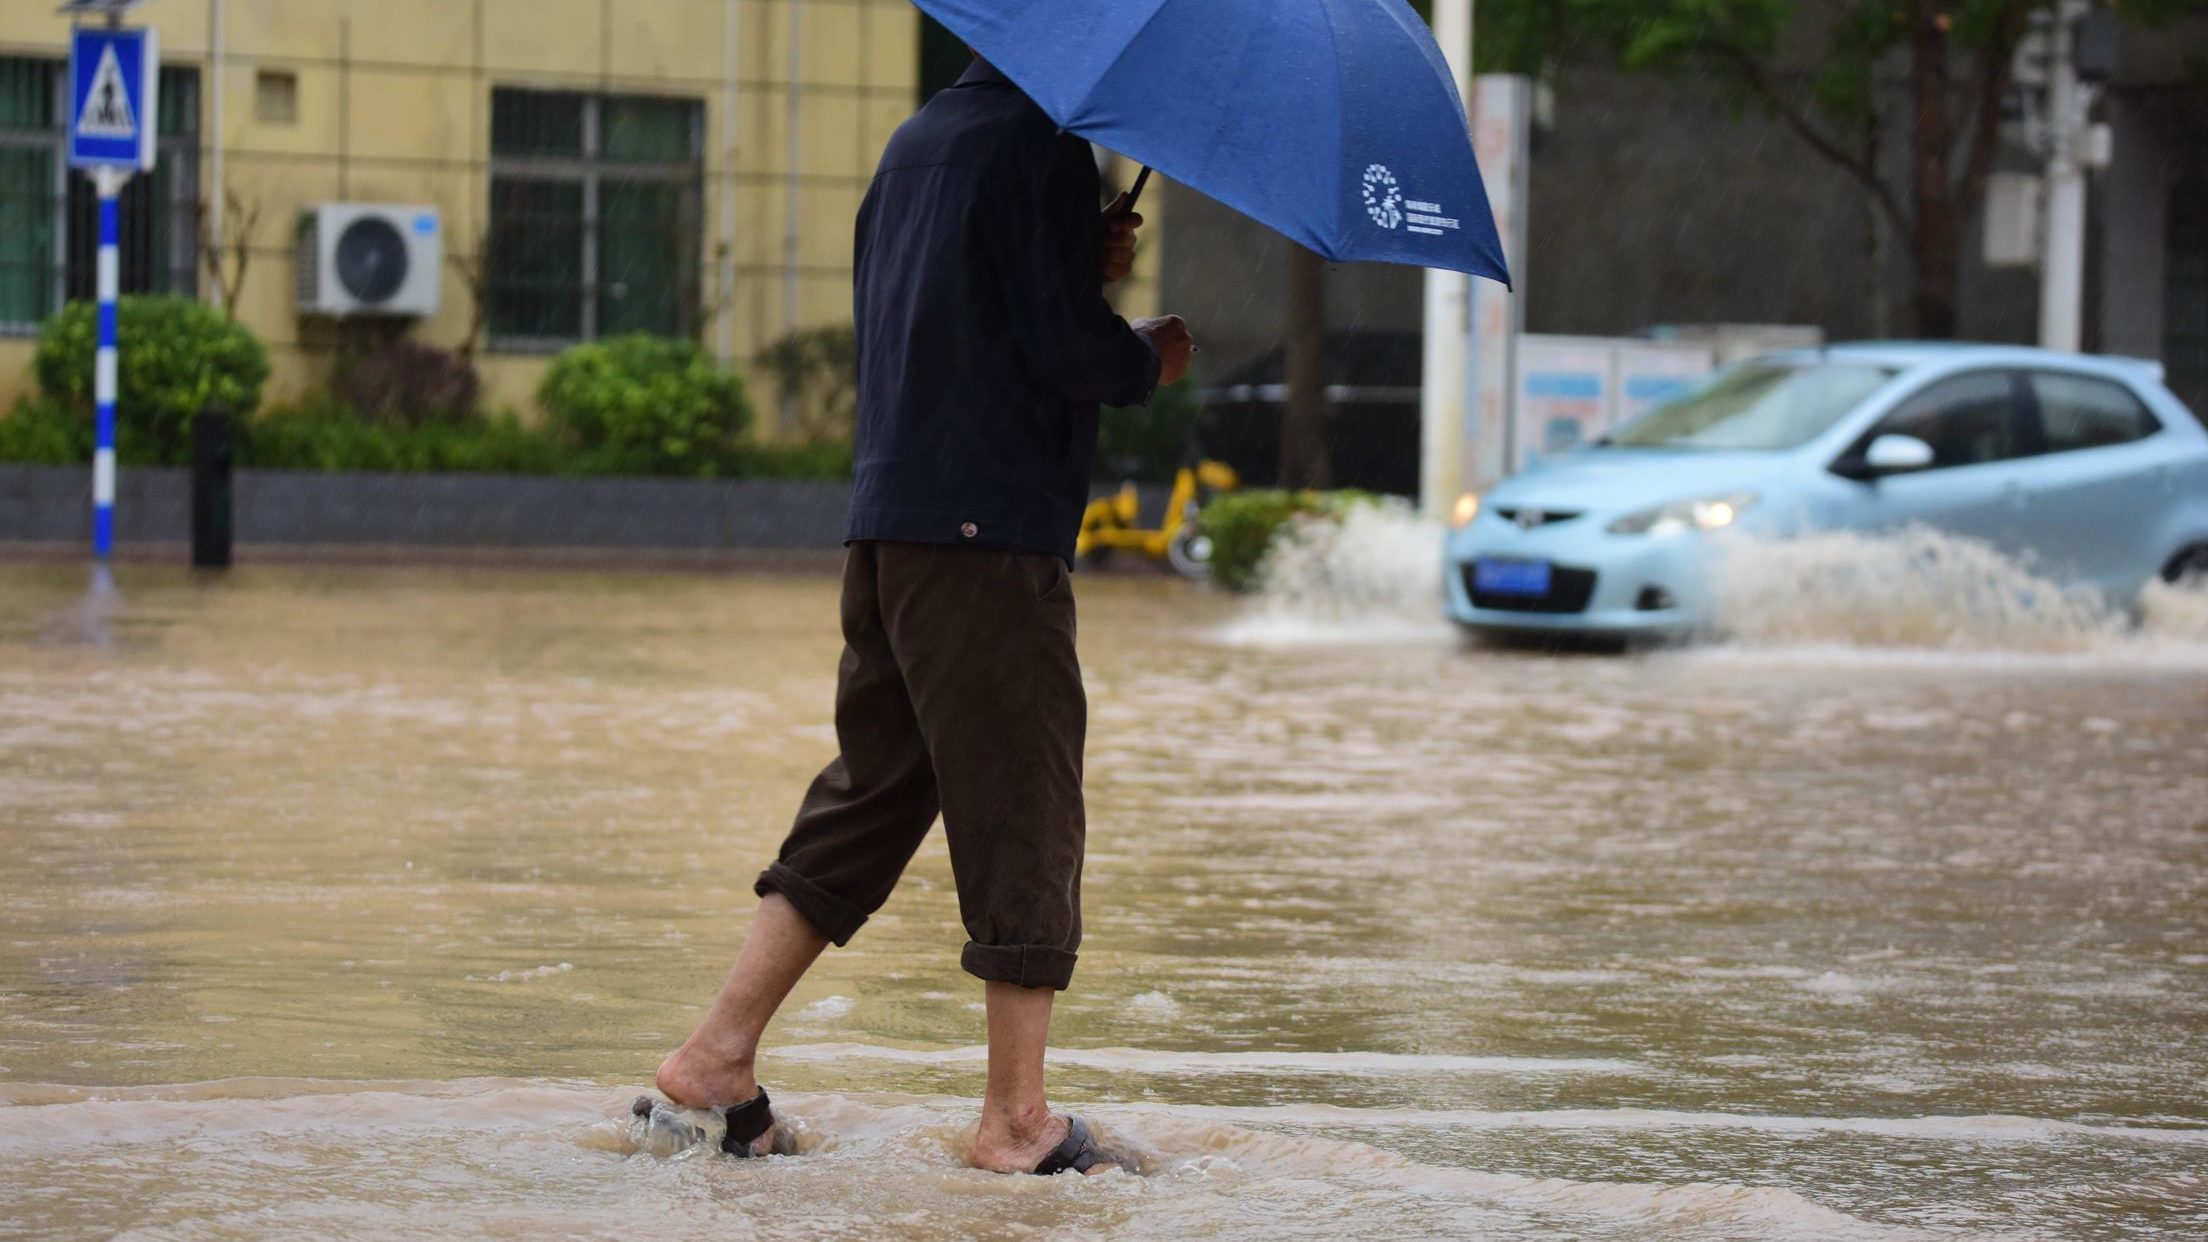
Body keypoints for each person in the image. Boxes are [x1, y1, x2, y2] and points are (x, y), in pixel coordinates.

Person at [648, 57, 1195, 1175]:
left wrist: (1073, 262)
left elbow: (954, 319)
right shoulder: (1045, 150)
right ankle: (1016, 1121)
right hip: (988, 538)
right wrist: (1141, 351)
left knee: (874, 795)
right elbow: (1058, 348)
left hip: (890, 524)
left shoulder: (914, 146)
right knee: (1026, 804)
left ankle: (715, 1061)